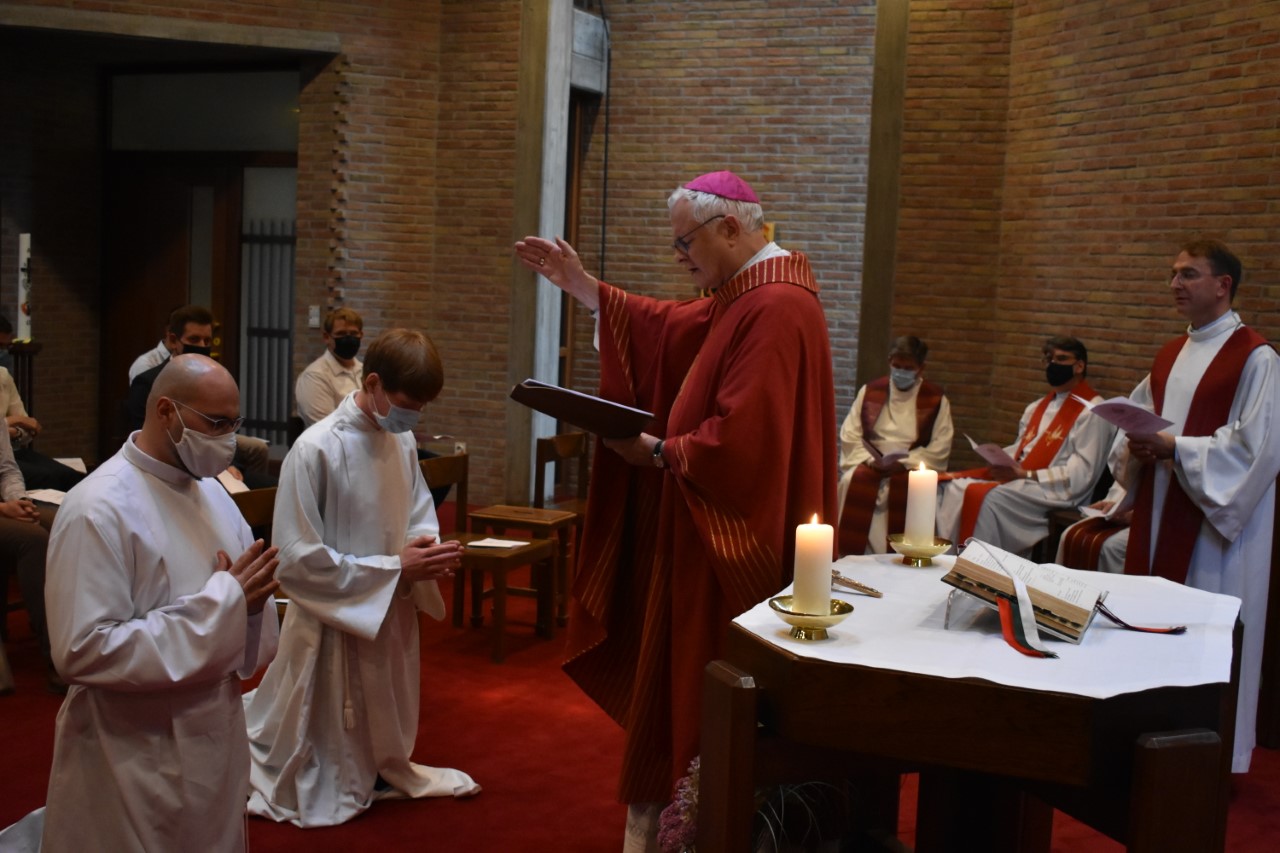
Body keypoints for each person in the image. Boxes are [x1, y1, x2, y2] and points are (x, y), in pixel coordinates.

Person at [515, 170, 837, 848]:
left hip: (722, 544)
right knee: (678, 685)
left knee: (701, 686)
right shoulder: (742, 295)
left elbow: (746, 438)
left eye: (684, 242)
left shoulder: (774, 304)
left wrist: (664, 452)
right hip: (693, 530)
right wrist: (584, 287)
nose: (678, 257)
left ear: (729, 227)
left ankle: (699, 826)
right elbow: (668, 324)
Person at [37, 354, 281, 851]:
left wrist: (250, 607)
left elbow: (241, 614)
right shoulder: (97, 507)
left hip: (212, 729)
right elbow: (81, 649)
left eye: (234, 423)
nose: (228, 437)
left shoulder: (212, 493)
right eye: (215, 423)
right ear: (166, 411)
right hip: (133, 750)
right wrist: (225, 604)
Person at [243, 328, 479, 827]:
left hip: (385, 604)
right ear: (372, 382)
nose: (413, 416)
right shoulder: (316, 449)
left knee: (387, 698)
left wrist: (423, 547)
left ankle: (378, 764)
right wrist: (395, 569)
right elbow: (297, 559)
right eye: (406, 403)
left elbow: (418, 508)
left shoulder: (402, 438)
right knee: (323, 741)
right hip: (338, 617)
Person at [1114, 239, 1280, 774]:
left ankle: (1212, 756)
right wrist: (1136, 444)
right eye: (1173, 273)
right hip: (1162, 513)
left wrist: (1174, 448)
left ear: (1222, 285)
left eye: (1188, 274)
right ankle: (1145, 736)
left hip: (1215, 533)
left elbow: (1256, 450)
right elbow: (1141, 417)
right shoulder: (1170, 353)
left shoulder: (1257, 358)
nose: (1175, 284)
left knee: (1206, 631)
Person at [935, 336, 1114, 557]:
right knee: (951, 487)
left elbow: (1081, 475)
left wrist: (1026, 474)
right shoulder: (1037, 407)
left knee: (988, 498)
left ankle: (984, 567)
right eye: (1049, 359)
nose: (1053, 364)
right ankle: (948, 560)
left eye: (1061, 359)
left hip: (1057, 490)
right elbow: (1022, 450)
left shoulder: (1093, 412)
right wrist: (998, 459)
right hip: (1025, 480)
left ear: (1079, 366)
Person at [127, 304, 273, 488]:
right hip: (172, 469)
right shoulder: (148, 381)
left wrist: (231, 465)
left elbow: (224, 428)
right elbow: (145, 435)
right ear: (173, 340)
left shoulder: (213, 380)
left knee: (272, 489)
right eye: (194, 339)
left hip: (216, 466)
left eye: (207, 341)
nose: (202, 347)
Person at [837, 335, 952, 556]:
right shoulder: (870, 391)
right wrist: (871, 460)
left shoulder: (936, 399)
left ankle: (901, 559)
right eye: (896, 365)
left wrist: (904, 463)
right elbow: (850, 433)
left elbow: (940, 445)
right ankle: (848, 557)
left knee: (913, 491)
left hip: (910, 467)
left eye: (908, 367)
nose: (901, 371)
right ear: (889, 361)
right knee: (851, 480)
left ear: (921, 368)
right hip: (871, 463)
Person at [0, 418, 59, 693]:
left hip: (5, 505)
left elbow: (7, 469)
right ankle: (57, 655)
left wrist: (19, 501)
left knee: (65, 520)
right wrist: (3, 509)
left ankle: (87, 637)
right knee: (33, 541)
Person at [0, 353, 85, 492]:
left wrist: (11, 430)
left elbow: (29, 430)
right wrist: (14, 421)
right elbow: (23, 421)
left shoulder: (3, 376)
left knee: (71, 476)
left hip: (12, 450)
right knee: (48, 477)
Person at [295, 307, 364, 427]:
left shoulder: (365, 371)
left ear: (361, 335)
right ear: (327, 337)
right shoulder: (314, 376)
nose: (348, 339)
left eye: (353, 333)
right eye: (341, 334)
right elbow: (326, 428)